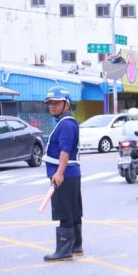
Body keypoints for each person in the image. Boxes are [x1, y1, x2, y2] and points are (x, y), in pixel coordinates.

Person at [42, 86, 83, 262]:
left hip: (65, 173)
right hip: (71, 173)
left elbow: (65, 152)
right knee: (73, 210)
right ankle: (76, 246)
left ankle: (64, 251)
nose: (52, 106)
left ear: (66, 104)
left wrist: (59, 174)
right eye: (50, 103)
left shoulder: (66, 124)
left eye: (57, 103)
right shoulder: (66, 122)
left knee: (65, 212)